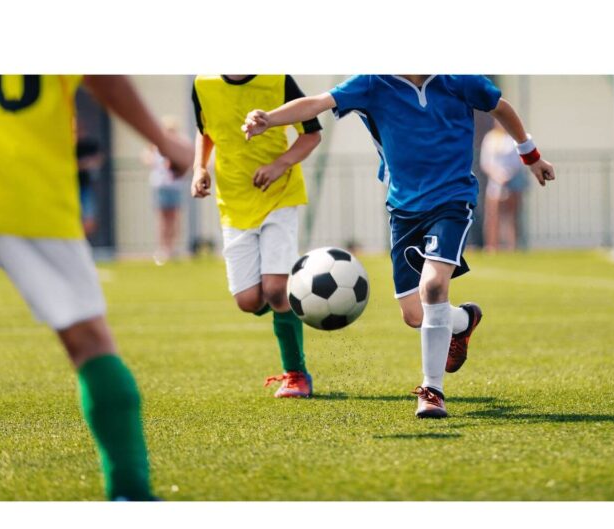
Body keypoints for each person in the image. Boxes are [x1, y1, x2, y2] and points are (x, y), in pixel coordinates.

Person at [242, 75, 555, 418]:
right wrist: (269, 118)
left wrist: (530, 155)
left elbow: (500, 108)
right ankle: (464, 320)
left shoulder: (459, 79)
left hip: (453, 200)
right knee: (414, 315)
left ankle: (431, 391)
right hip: (403, 211)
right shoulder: (373, 83)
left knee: (434, 286)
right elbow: (317, 103)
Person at [0, 75, 193, 501]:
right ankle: (130, 489)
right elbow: (104, 79)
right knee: (91, 341)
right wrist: (168, 143)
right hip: (32, 189)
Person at [191, 75, 322, 398]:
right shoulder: (202, 84)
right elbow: (205, 130)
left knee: (276, 290)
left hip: (279, 196)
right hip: (234, 203)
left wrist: (281, 163)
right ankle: (295, 301)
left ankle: (296, 374)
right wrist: (199, 168)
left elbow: (312, 134)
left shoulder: (277, 80)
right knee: (249, 300)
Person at [144, 117, 188, 265]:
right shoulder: (155, 147)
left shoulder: (179, 146)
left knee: (174, 218)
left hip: (174, 186)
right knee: (162, 219)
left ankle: (171, 248)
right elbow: (147, 158)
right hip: (160, 185)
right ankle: (162, 249)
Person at [480, 121, 530, 252]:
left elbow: (517, 162)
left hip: (511, 181)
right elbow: (485, 161)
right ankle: (492, 246)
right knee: (492, 216)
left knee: (511, 216)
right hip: (495, 183)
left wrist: (507, 175)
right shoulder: (490, 138)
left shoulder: (513, 138)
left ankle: (511, 245)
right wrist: (497, 175)